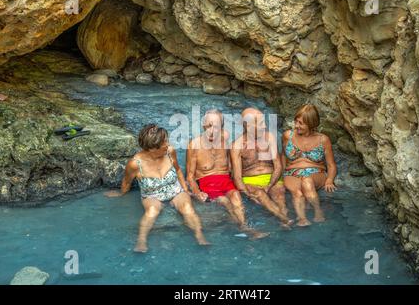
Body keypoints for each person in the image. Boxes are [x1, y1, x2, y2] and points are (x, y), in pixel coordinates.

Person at [105, 124, 209, 252]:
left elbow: (178, 171)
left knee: (187, 207)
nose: (168, 144)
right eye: (164, 142)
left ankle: (199, 235)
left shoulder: (170, 152)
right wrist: (121, 193)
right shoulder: (135, 164)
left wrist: (186, 190)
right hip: (152, 195)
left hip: (174, 190)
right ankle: (141, 241)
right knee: (152, 211)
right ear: (152, 148)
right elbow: (126, 182)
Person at [186, 109, 268, 239]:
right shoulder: (194, 145)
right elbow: (190, 176)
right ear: (203, 126)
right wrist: (197, 192)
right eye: (208, 126)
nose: (212, 131)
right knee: (224, 200)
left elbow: (232, 170)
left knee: (235, 195)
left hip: (225, 181)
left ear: (222, 128)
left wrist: (246, 191)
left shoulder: (226, 141)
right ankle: (246, 229)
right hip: (207, 182)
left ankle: (243, 225)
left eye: (217, 127)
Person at [231, 108, 293, 228]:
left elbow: (278, 165)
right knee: (260, 194)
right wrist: (247, 194)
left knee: (279, 194)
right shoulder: (237, 145)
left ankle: (284, 221)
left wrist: (269, 185)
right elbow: (237, 177)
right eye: (260, 123)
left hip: (272, 177)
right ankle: (283, 219)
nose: (264, 126)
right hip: (250, 181)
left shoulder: (269, 137)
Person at [282, 104, 337, 226]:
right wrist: (281, 176)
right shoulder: (287, 136)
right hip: (292, 173)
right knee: (297, 193)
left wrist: (329, 180)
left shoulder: (323, 139)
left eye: (301, 123)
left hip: (316, 173)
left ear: (311, 123)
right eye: (296, 121)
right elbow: (283, 157)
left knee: (307, 182)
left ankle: (318, 212)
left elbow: (331, 164)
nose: (296, 126)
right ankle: (302, 219)